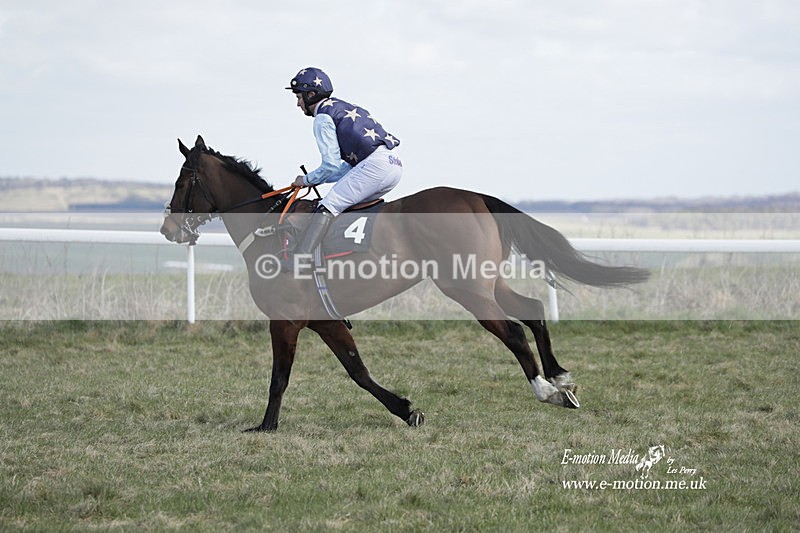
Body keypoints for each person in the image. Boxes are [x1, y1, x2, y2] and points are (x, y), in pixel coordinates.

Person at [280, 67, 402, 272]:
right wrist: (315, 180)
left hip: (374, 166)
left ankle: (300, 261)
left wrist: (306, 180)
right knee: (344, 205)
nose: (298, 103)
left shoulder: (322, 117)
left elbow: (330, 165)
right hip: (394, 164)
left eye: (299, 97)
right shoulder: (342, 106)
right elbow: (344, 170)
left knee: (327, 206)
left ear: (311, 95)